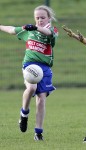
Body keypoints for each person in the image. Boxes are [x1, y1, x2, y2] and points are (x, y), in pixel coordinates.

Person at [0, 5, 58, 141]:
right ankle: (24, 113)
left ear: (49, 18)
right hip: (30, 65)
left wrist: (36, 27)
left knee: (41, 99)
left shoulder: (52, 30)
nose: (40, 20)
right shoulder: (28, 31)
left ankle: (38, 132)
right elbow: (11, 30)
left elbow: (49, 34)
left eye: (43, 17)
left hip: (44, 69)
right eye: (37, 18)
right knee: (31, 88)